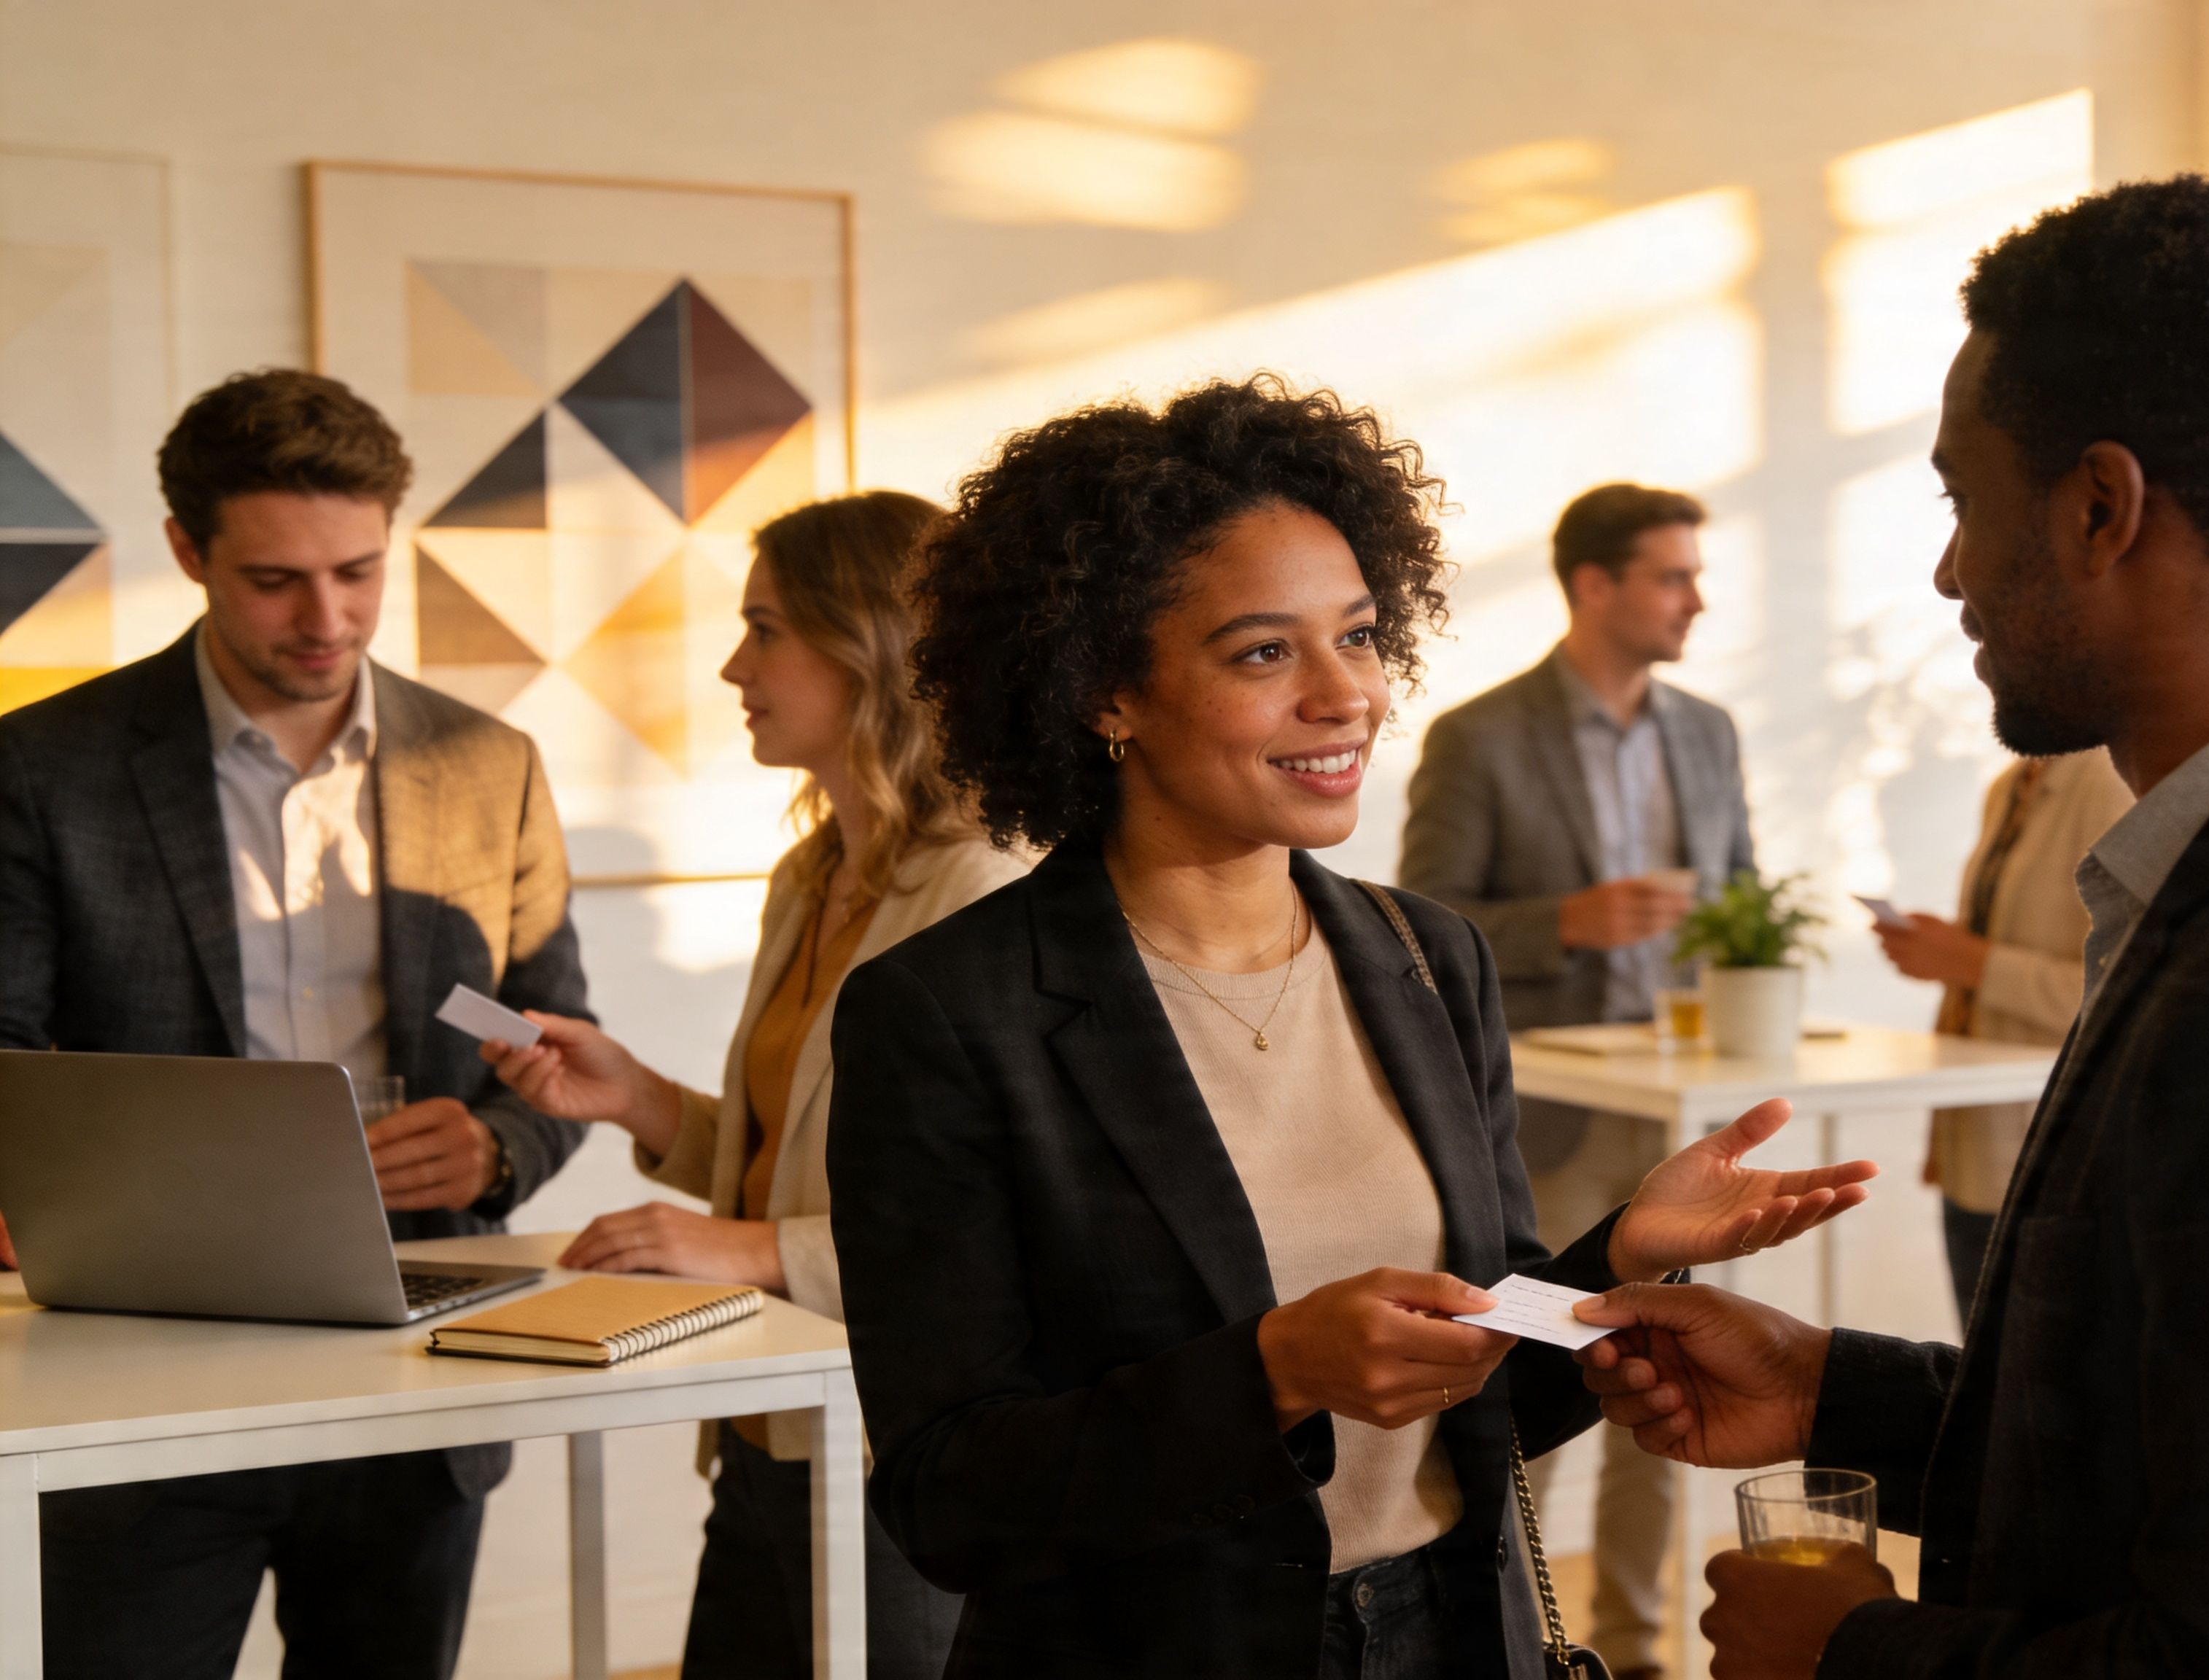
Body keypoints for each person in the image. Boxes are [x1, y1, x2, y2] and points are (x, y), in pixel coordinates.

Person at [1575, 176, 2209, 1679]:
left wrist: (1852, 1655)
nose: (1948, 570)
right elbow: (2204, 1450)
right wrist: (1828, 1391)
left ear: (2098, 509)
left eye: (1960, 501)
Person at [820, 376, 1875, 1680]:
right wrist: (1271, 1372)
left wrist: (1620, 1262)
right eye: (1263, 652)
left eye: (1361, 636)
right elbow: (949, 1499)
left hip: (1456, 1637)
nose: (1348, 695)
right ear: (1106, 692)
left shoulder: (1426, 958)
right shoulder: (950, 1010)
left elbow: (1482, 1397)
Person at [0, 368, 593, 1677]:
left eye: (358, 572)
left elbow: (553, 1039)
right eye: (276, 581)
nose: (328, 619)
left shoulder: (489, 765)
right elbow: (6, 1056)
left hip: (421, 1359)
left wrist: (498, 1145)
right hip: (137, 1363)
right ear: (187, 550)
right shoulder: (44, 768)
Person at [475, 491, 1021, 1679]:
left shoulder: (989, 888)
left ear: (871, 644)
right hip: (773, 1418)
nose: (734, 666)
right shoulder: (812, 874)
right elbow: (820, 1155)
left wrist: (751, 1250)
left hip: (902, 1442)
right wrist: (637, 1098)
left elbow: (1003, 1222)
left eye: (765, 630)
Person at [1397, 479, 1755, 1679]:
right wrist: (1567, 921)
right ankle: (1513, 1641)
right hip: (1547, 1125)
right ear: (1593, 583)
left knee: (1673, 1385)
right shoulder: (1481, 736)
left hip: (1687, 1116)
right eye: (1672, 575)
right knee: (1534, 1388)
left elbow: (1743, 899)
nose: (1696, 598)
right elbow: (1425, 923)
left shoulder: (1708, 731)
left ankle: (1644, 1649)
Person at [1868, 744, 2129, 1324]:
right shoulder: (2012, 783)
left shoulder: (2109, 780)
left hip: (2055, 1148)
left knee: (2032, 1365)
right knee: (1982, 1361)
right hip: (1976, 1139)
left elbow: (2126, 985)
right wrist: (1943, 950)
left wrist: (1972, 964)